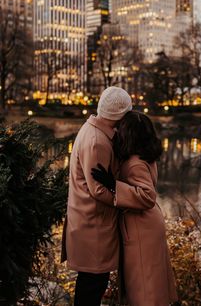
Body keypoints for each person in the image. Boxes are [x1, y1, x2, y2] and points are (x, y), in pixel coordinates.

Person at [91, 111, 178, 306]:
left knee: (144, 284)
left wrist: (113, 185)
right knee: (147, 280)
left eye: (121, 128)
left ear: (129, 134)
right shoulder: (144, 155)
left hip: (142, 228)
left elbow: (147, 196)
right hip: (145, 225)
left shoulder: (135, 163)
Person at [61, 87, 132, 306]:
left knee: (90, 285)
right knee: (91, 287)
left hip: (89, 223)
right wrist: (129, 200)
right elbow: (98, 190)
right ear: (119, 116)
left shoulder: (93, 130)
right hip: (93, 227)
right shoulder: (98, 142)